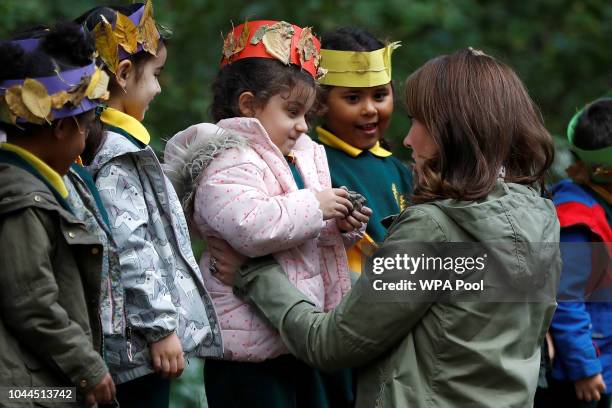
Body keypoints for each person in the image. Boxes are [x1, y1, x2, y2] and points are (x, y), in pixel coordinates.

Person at [219, 48, 561, 407]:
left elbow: (331, 344)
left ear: (453, 131)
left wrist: (255, 272)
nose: (409, 138)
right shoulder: (542, 217)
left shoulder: (435, 230)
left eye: (418, 121)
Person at [163, 20, 370, 407]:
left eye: (307, 114)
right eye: (292, 112)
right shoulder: (225, 156)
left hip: (296, 336)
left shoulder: (304, 152)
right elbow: (251, 226)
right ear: (248, 104)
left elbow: (307, 235)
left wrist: (341, 223)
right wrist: (317, 206)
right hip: (250, 349)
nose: (302, 126)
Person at [77, 2, 222, 407]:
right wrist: (160, 329)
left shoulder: (111, 145)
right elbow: (130, 247)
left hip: (134, 343)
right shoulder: (117, 153)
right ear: (123, 75)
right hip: (137, 347)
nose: (158, 89)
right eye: (155, 75)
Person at [0, 22, 115, 406]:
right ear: (63, 128)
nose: (86, 140)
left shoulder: (39, 186)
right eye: (85, 129)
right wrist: (88, 368)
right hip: (25, 391)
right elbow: (30, 299)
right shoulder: (21, 199)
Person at [314, 27, 413, 273]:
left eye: (379, 95)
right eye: (353, 98)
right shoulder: (312, 163)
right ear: (319, 103)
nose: (370, 109)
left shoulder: (402, 171)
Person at [548, 97, 612, 407]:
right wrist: (585, 368)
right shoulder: (577, 219)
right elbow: (565, 299)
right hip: (591, 376)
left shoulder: (603, 199)